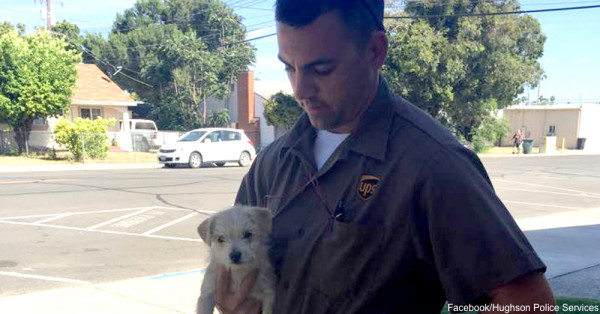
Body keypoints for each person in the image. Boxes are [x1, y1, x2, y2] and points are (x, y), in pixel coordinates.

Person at [216, 0, 555, 313]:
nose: (300, 90)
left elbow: (528, 302)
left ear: (376, 51)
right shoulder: (274, 162)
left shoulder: (432, 164)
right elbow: (233, 267)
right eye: (289, 68)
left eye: (321, 69)